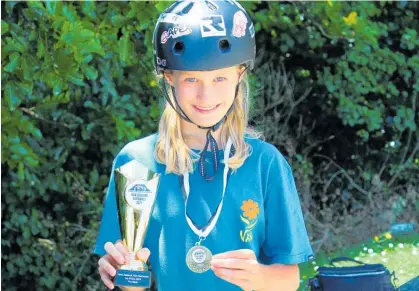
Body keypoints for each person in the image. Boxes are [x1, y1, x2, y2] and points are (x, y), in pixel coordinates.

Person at [94, 1, 315, 291]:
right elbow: (132, 275)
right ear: (169, 77)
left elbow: (290, 279)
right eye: (191, 78)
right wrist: (122, 274)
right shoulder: (136, 162)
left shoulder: (265, 163)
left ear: (240, 75)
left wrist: (259, 278)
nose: (205, 94)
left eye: (220, 77)